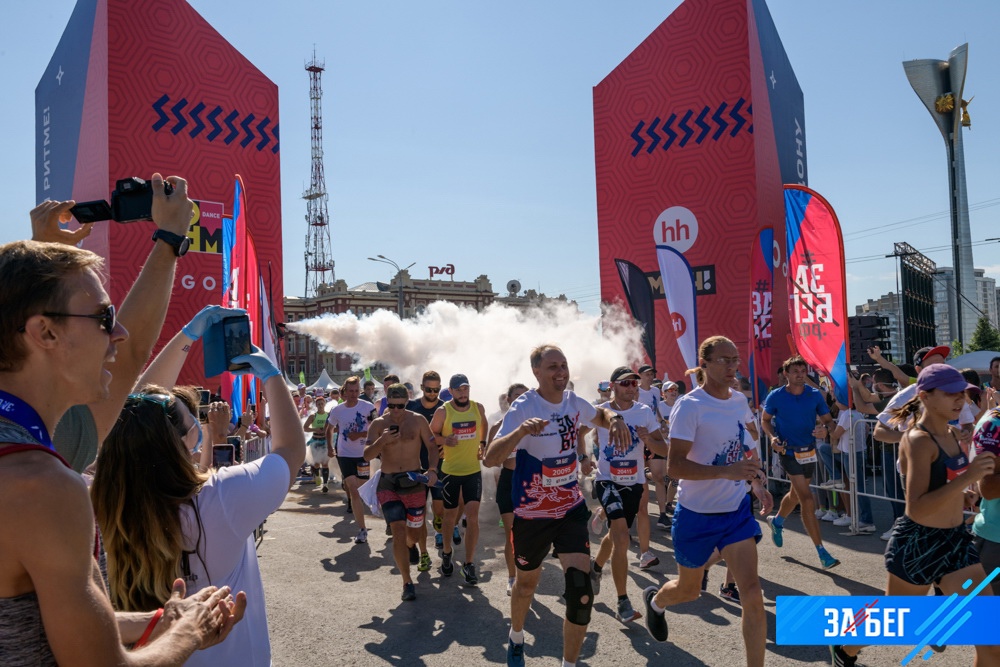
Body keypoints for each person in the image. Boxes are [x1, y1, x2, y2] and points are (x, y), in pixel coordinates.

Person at [0, 239, 244, 664]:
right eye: (103, 317)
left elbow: (43, 616)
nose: (119, 331)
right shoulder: (39, 484)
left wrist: (160, 621)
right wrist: (189, 633)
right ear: (45, 332)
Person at [93, 308, 301, 666]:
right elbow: (290, 452)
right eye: (195, 419)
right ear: (185, 441)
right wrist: (270, 375)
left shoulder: (103, 496)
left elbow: (131, 415)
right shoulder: (221, 496)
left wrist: (187, 336)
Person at [833, 365, 1000, 667]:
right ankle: (845, 648)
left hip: (956, 543)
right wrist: (967, 478)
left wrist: (964, 494)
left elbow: (943, 484)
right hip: (919, 543)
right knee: (890, 620)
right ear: (925, 395)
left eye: (962, 393)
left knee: (992, 641)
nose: (960, 400)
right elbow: (917, 507)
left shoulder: (951, 433)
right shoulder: (917, 439)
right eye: (951, 394)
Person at [484, 344, 630, 667]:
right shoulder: (524, 406)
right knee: (525, 586)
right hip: (532, 514)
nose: (560, 372)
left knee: (580, 594)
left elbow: (600, 414)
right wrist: (521, 431)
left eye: (563, 365)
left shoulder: (572, 401)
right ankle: (517, 635)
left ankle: (569, 664)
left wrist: (615, 418)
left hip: (569, 509)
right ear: (536, 371)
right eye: (552, 367)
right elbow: (490, 457)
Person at [640, 336, 772, 667]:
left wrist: (756, 483)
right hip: (696, 515)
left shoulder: (739, 401)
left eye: (735, 359)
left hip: (735, 513)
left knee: (752, 594)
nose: (732, 366)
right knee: (689, 590)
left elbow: (741, 447)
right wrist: (726, 471)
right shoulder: (690, 405)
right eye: (724, 360)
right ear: (704, 365)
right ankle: (656, 601)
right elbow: (675, 466)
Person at [591, 366, 667, 623]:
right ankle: (623, 601)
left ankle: (595, 568)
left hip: (634, 483)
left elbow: (663, 448)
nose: (632, 388)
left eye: (635, 384)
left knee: (615, 536)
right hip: (607, 480)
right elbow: (579, 434)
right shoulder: (601, 412)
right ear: (612, 386)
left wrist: (649, 440)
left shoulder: (644, 412)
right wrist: (581, 457)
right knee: (622, 536)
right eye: (625, 384)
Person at [761, 355, 839, 569]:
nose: (799, 375)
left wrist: (826, 429)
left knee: (796, 493)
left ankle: (776, 521)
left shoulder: (814, 395)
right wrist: (772, 438)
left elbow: (829, 423)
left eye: (802, 371)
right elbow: (765, 420)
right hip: (788, 451)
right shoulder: (776, 396)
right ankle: (822, 551)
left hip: (809, 451)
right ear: (786, 374)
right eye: (795, 371)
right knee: (806, 498)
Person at [365, 384, 439, 601]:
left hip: (414, 481)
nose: (396, 411)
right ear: (386, 401)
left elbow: (433, 447)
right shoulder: (379, 424)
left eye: (400, 405)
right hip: (388, 483)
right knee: (397, 529)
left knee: (413, 533)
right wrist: (382, 441)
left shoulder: (418, 420)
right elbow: (367, 455)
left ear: (407, 401)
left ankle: (410, 545)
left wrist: (432, 470)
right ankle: (407, 582)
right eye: (392, 405)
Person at [430, 373, 489, 586]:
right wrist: (444, 440)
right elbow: (430, 436)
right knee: (450, 515)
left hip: (473, 470)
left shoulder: (477, 407)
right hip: (450, 472)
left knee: (473, 515)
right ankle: (447, 551)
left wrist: (483, 443)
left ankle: (469, 563)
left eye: (466, 389)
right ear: (452, 391)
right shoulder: (443, 411)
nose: (463, 393)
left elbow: (484, 425)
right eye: (458, 390)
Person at [489, 383, 529, 596]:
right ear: (509, 400)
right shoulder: (499, 426)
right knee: (511, 532)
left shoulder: (538, 424)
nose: (521, 399)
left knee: (530, 533)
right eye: (517, 396)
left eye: (525, 395)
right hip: (508, 480)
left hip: (531, 481)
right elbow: (488, 459)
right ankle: (512, 577)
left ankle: (527, 575)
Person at [328, 376, 377, 543]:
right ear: (345, 392)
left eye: (356, 391)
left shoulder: (368, 407)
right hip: (344, 454)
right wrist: (329, 446)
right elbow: (330, 428)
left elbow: (376, 428)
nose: (354, 394)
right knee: (354, 490)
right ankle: (362, 529)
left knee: (362, 490)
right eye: (351, 391)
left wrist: (361, 434)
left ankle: (365, 515)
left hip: (363, 454)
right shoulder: (337, 410)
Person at [406, 370, 446, 570]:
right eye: (429, 389)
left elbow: (451, 436)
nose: (433, 393)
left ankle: (439, 522)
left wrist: (445, 446)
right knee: (418, 514)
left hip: (438, 467)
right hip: (415, 468)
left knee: (438, 511)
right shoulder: (411, 407)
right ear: (422, 388)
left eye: (437, 389)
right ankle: (424, 554)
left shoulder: (444, 408)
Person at [303, 395, 332, 491]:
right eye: (318, 404)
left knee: (325, 463)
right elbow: (305, 428)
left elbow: (334, 427)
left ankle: (325, 484)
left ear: (324, 404)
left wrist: (326, 430)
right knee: (316, 463)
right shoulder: (313, 416)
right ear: (316, 405)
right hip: (315, 441)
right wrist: (315, 429)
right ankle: (317, 476)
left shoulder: (328, 415)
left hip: (325, 441)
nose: (320, 405)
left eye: (322, 403)